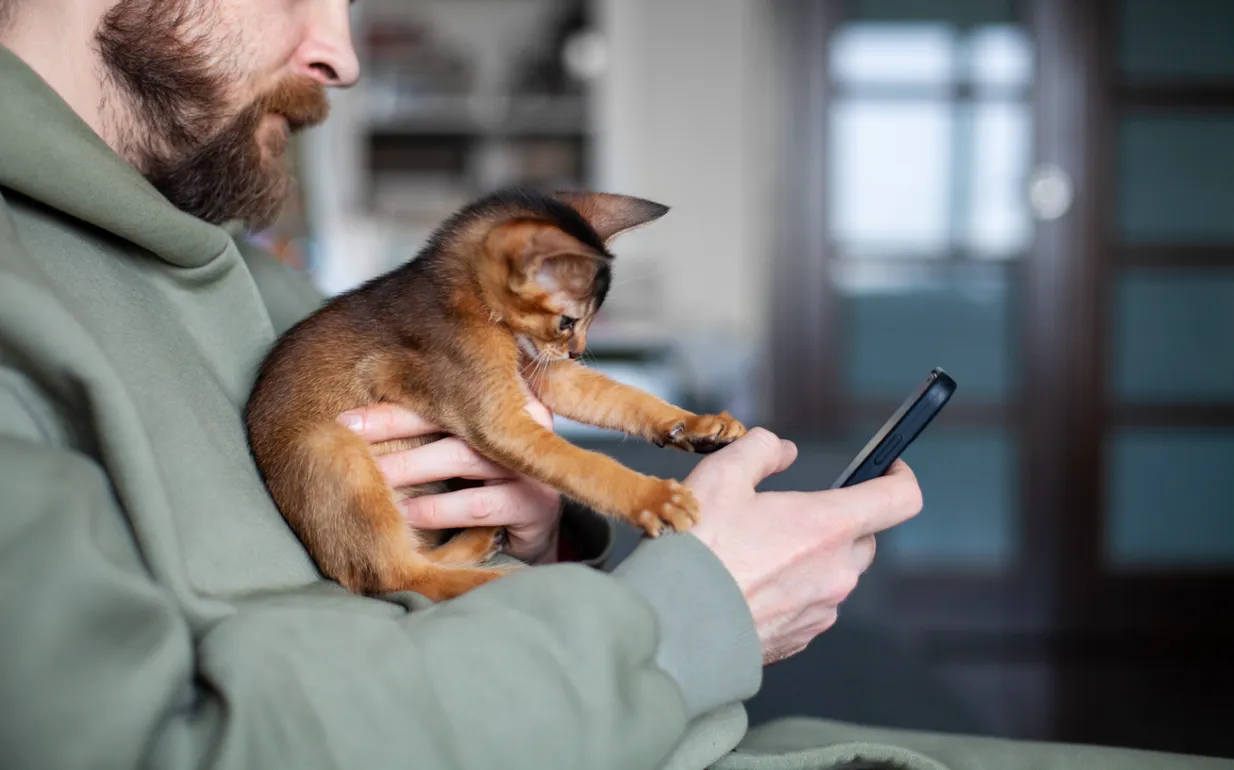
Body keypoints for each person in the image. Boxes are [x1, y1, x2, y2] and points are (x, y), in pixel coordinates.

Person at [0, 2, 1228, 769]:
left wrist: (538, 531)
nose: (345, 51)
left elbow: (485, 469)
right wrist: (690, 609)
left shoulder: (236, 271)